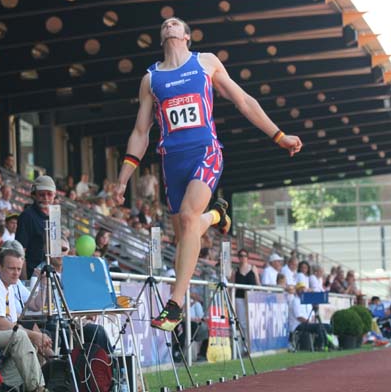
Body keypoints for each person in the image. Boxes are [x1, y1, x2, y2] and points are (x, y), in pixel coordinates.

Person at [114, 17, 302, 331]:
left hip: (206, 152)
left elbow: (244, 101)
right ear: (161, 36)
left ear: (187, 35)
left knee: (188, 218)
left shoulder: (205, 63)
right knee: (185, 234)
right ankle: (216, 216)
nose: (169, 25)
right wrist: (122, 179)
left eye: (175, 23)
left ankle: (175, 304)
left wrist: (279, 135)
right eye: (165, 24)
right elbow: (140, 132)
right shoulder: (151, 78)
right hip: (172, 162)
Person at [0, 248, 47, 391]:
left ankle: (6, 385)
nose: (16, 273)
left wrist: (44, 284)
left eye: (19, 269)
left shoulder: (8, 285)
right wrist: (33, 334)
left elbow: (15, 322)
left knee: (28, 341)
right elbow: (0, 324)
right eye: (11, 268)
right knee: (21, 336)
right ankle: (38, 388)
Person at [16, 175, 57, 278]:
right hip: (34, 274)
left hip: (52, 271)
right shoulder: (27, 216)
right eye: (41, 194)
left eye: (49, 194)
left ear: (54, 195)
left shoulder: (55, 214)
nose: (46, 198)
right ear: (34, 195)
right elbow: (20, 251)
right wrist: (25, 280)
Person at [230, 249, 260, 339]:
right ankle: (245, 342)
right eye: (241, 256)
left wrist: (260, 294)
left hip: (251, 297)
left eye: (245, 256)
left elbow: (258, 282)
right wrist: (230, 299)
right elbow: (232, 285)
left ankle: (252, 340)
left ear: (247, 257)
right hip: (239, 297)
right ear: (238, 258)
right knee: (242, 321)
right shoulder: (235, 271)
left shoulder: (253, 268)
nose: (243, 258)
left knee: (252, 319)